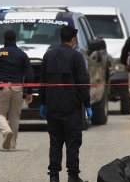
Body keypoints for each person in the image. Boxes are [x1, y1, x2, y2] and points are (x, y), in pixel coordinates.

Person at [40, 25, 91, 182]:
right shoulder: (76, 57)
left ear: (60, 38)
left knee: (55, 142)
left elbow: (42, 82)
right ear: (73, 39)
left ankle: (54, 176)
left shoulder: (48, 55)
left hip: (53, 107)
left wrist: (43, 103)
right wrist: (87, 104)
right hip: (71, 108)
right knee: (73, 142)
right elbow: (82, 83)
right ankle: (73, 176)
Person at [0, 30, 34, 151]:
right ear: (15, 39)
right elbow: (30, 75)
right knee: (15, 117)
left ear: (4, 40)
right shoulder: (22, 54)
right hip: (17, 88)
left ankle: (6, 131)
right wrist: (29, 92)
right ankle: (12, 145)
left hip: (3, 87)